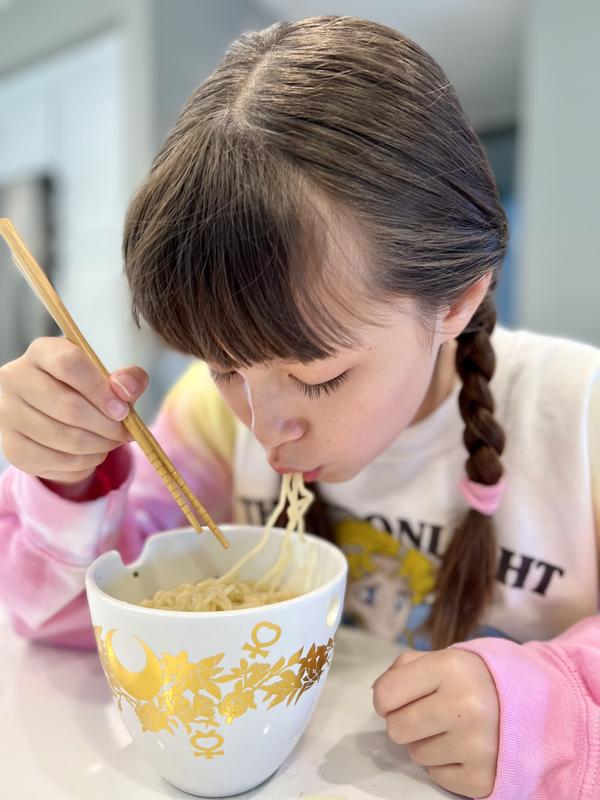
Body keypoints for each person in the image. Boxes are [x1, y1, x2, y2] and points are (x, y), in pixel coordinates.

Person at [0, 16, 598, 800]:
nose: (265, 424)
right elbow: (75, 624)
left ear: (455, 298)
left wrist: (561, 719)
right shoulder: (211, 421)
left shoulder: (578, 418)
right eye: (222, 366)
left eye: (318, 378)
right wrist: (69, 478)